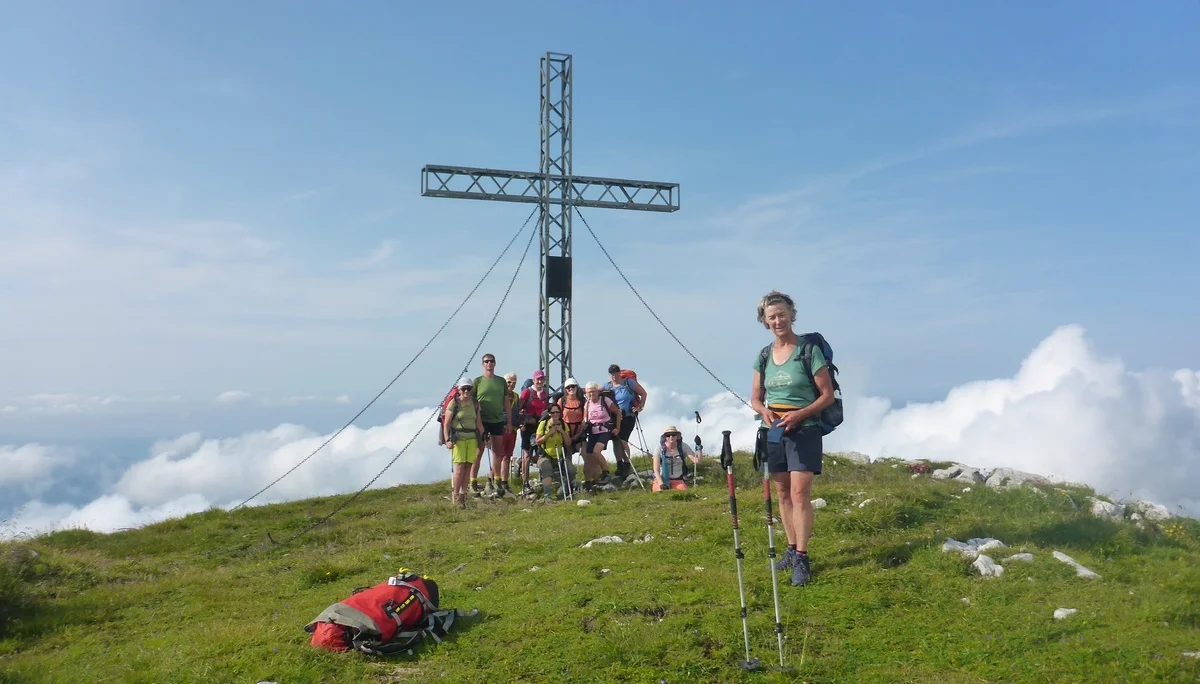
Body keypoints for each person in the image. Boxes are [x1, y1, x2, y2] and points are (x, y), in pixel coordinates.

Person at [750, 290, 837, 587]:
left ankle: (802, 556)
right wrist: (763, 412)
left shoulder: (807, 351)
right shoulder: (763, 355)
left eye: (782, 315)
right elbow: (756, 398)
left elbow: (827, 395)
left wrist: (800, 415)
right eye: (772, 317)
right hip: (774, 430)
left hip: (805, 428)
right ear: (765, 320)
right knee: (783, 494)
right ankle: (789, 549)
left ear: (791, 315)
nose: (778, 321)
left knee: (800, 494)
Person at [471, 353, 512, 496]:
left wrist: (509, 422)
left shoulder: (501, 381)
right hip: (481, 420)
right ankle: (473, 482)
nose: (489, 364)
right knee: (479, 451)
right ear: (482, 364)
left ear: (495, 363)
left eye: (491, 361)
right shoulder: (477, 382)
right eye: (486, 361)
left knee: (497, 452)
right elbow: (472, 401)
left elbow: (506, 402)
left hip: (497, 419)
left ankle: (497, 480)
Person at [443, 377, 484, 508]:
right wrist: (447, 440)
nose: (466, 391)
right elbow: (447, 424)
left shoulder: (475, 403)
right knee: (459, 468)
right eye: (464, 388)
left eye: (468, 388)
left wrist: (484, 436)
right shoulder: (453, 404)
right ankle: (456, 496)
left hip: (472, 437)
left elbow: (478, 422)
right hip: (458, 438)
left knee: (468, 467)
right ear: (459, 390)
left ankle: (463, 495)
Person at [603, 364, 647, 482]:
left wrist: (640, 407)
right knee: (616, 441)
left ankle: (626, 464)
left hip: (628, 416)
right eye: (611, 374)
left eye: (615, 373)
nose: (614, 376)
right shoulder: (607, 385)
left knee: (623, 440)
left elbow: (643, 393)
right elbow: (595, 390)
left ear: (619, 373)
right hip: (613, 417)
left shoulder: (628, 383)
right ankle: (620, 465)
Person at [581, 381, 620, 491]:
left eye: (593, 391)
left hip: (605, 430)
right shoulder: (587, 404)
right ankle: (591, 480)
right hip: (593, 432)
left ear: (597, 391)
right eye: (589, 392)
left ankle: (606, 472)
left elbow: (617, 413)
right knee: (589, 457)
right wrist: (584, 426)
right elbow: (584, 419)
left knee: (596, 452)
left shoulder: (605, 400)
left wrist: (617, 428)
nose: (591, 394)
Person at [533, 403, 576, 499]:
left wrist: (562, 432)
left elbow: (568, 443)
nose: (555, 414)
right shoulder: (543, 424)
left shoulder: (563, 425)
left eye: (557, 412)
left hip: (560, 456)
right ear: (549, 413)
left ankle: (564, 491)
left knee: (571, 470)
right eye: (553, 412)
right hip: (545, 455)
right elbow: (538, 441)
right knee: (547, 468)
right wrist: (549, 433)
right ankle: (547, 496)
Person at [517, 370, 550, 492]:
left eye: (542, 379)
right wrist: (521, 423)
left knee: (541, 454)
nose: (540, 381)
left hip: (540, 426)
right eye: (538, 379)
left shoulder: (546, 393)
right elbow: (518, 409)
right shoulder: (527, 392)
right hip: (527, 426)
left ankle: (541, 480)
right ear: (534, 379)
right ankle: (525, 483)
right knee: (527, 455)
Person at [652, 425, 700, 492]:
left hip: (678, 480)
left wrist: (699, 447)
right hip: (661, 479)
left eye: (673, 434)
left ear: (677, 436)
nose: (671, 437)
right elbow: (656, 469)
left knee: (683, 493)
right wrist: (661, 484)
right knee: (660, 492)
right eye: (668, 435)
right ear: (665, 437)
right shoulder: (659, 448)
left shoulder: (683, 446)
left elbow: (697, 461)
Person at [495, 372, 521, 495]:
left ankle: (504, 482)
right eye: (509, 382)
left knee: (507, 457)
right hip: (500, 429)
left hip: (513, 430)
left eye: (514, 382)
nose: (512, 384)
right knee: (498, 457)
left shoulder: (516, 396)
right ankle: (494, 481)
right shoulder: (499, 395)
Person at [556, 378, 587, 461]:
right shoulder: (562, 401)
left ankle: (589, 474)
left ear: (576, 387)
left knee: (585, 454)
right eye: (568, 387)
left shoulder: (582, 401)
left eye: (573, 386)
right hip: (565, 432)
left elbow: (585, 417)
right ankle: (569, 473)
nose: (571, 389)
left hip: (579, 433)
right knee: (567, 455)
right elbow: (557, 416)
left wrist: (580, 433)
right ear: (565, 390)